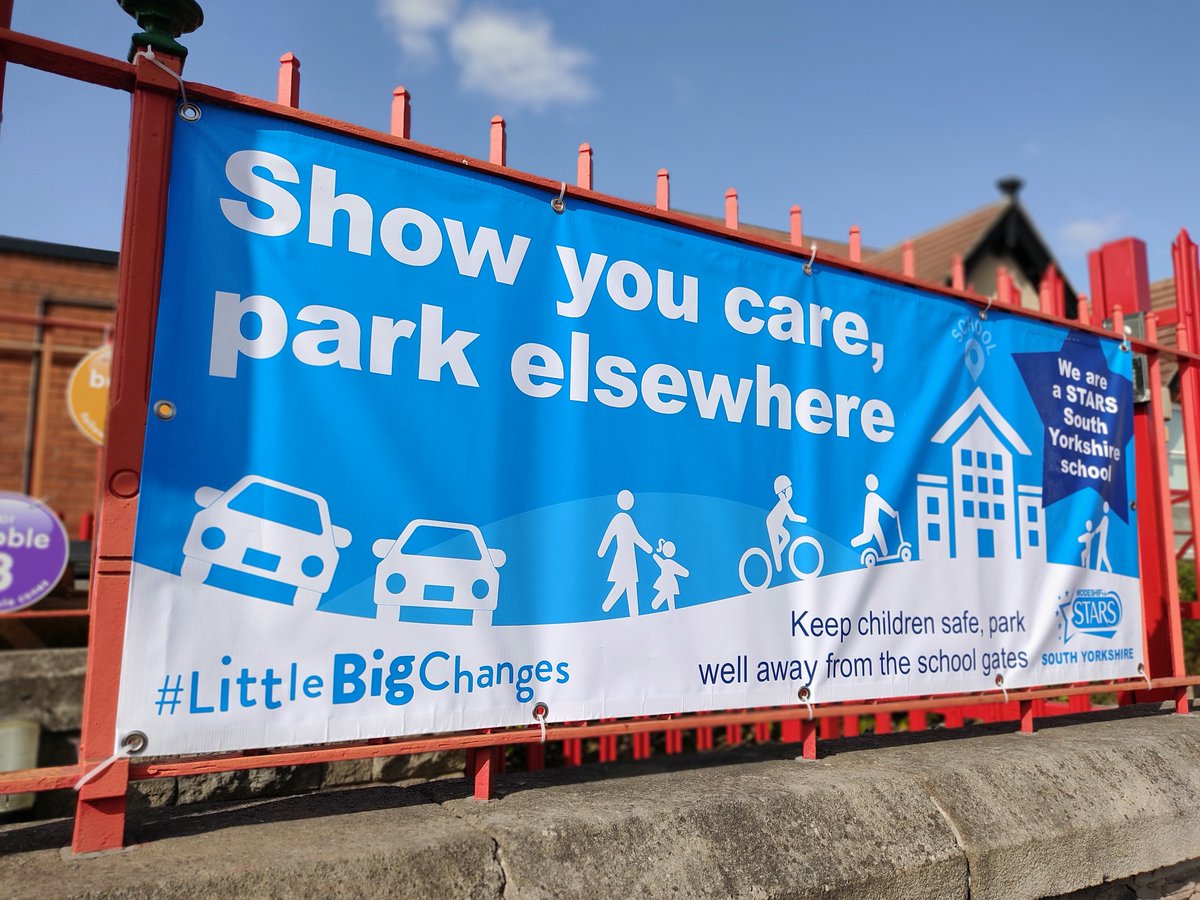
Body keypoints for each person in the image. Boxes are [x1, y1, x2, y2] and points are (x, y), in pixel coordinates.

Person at [598, 490, 652, 617]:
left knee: (631, 585)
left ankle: (634, 615)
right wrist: (602, 550)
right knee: (623, 584)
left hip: (629, 557)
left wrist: (648, 548)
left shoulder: (626, 519)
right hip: (623, 557)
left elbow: (636, 537)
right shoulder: (620, 518)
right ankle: (607, 606)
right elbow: (609, 534)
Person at [850, 474, 898, 558]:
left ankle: (885, 553)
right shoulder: (872, 497)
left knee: (875, 537)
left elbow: (884, 506)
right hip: (871, 522)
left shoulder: (870, 496)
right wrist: (892, 513)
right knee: (869, 537)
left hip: (874, 522)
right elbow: (884, 506)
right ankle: (853, 543)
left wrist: (892, 513)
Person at [766, 475, 806, 572]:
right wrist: (804, 520)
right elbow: (792, 517)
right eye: (789, 488)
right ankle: (775, 557)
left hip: (775, 523)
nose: (791, 491)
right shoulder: (784, 503)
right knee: (778, 562)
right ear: (783, 492)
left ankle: (777, 554)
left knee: (786, 536)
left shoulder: (784, 502)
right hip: (772, 523)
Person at [650, 539, 689, 611]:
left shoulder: (665, 562)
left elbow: (656, 557)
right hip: (670, 583)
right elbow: (684, 572)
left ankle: (670, 611)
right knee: (668, 597)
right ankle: (670, 611)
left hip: (665, 583)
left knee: (668, 597)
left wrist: (657, 552)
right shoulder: (670, 563)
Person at [1093, 503, 1112, 573]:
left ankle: (1109, 569)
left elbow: (1100, 527)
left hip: (1102, 540)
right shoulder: (1105, 518)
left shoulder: (1105, 518)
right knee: (1101, 555)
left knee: (1103, 555)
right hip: (1102, 539)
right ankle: (1098, 569)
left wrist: (1094, 531)